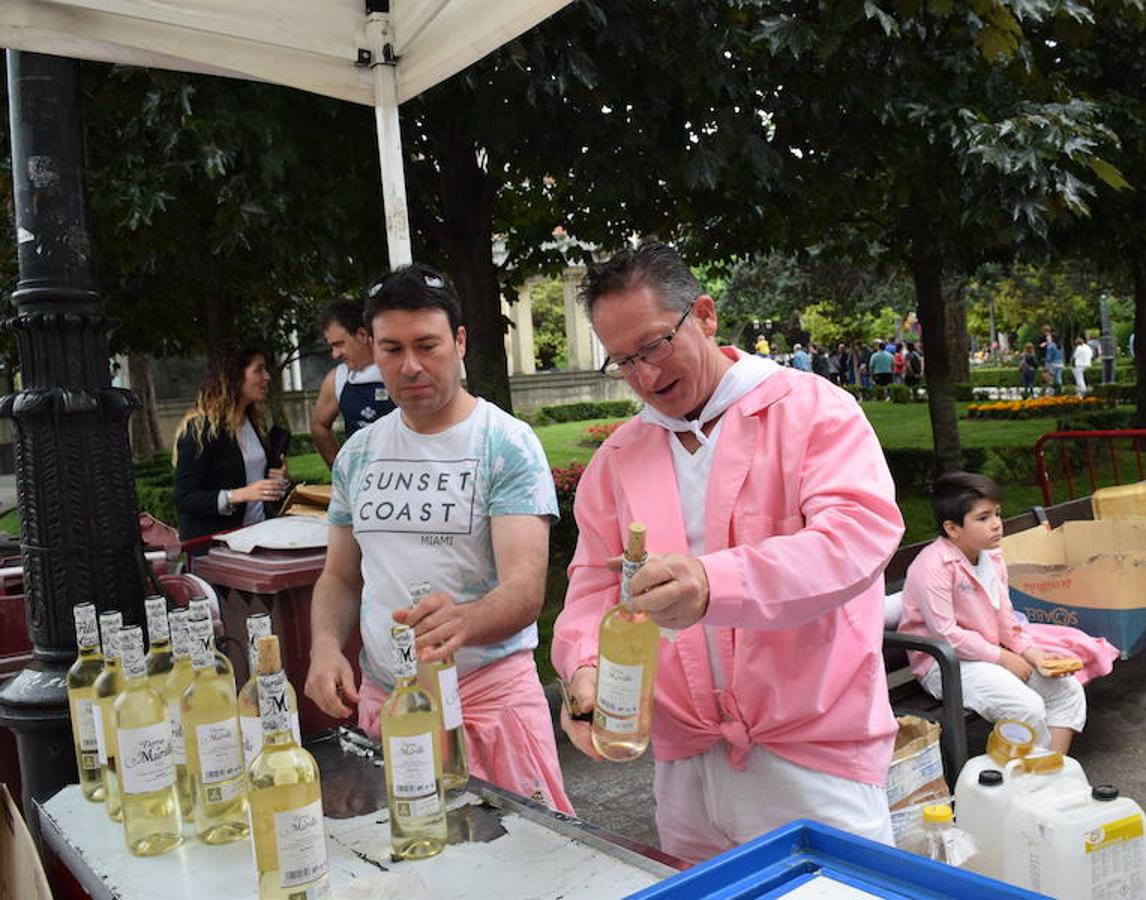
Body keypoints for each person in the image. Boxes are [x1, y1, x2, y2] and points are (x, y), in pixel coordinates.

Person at [552, 242, 905, 862]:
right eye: (623, 361)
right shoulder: (619, 458)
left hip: (813, 757)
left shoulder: (811, 410)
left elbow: (857, 536)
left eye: (656, 345)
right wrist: (584, 668)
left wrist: (712, 584)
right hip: (684, 763)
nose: (645, 377)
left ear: (706, 316)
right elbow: (592, 587)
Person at [305, 263, 573, 811]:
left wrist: (465, 621)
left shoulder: (505, 443)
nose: (410, 366)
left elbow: (525, 591)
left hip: (487, 702)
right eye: (391, 349)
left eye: (427, 345)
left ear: (460, 341)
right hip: (391, 702)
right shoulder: (359, 453)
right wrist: (326, 646)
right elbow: (339, 575)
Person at [898, 472, 1086, 754]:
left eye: (998, 514)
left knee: (1068, 691)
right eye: (983, 518)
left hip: (989, 654)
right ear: (952, 528)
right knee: (1027, 707)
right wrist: (1005, 657)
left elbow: (1005, 618)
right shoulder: (932, 566)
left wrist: (1031, 653)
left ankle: (1049, 774)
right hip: (944, 664)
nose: (997, 524)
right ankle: (1030, 786)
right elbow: (946, 635)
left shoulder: (992, 557)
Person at [173, 345, 289, 552]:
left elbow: (256, 485)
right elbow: (185, 499)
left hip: (258, 538)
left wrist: (278, 481)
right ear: (234, 377)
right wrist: (238, 495)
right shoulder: (199, 430)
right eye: (258, 370)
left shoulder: (254, 423)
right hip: (217, 549)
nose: (267, 377)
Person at [310, 300, 397, 467]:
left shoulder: (401, 369)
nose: (334, 354)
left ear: (363, 335)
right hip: (363, 487)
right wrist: (341, 471)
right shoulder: (339, 378)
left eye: (339, 344)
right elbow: (319, 426)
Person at [1040, 326, 1064, 390]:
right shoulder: (1059, 346)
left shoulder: (1050, 346)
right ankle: (1059, 391)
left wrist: (1045, 362)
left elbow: (1049, 358)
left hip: (1053, 364)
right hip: (1060, 363)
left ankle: (1050, 393)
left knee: (1049, 380)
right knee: (1058, 379)